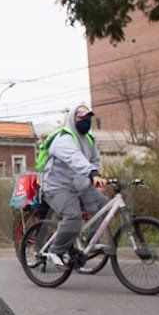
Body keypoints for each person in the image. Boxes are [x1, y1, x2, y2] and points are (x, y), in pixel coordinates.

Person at [40, 105, 107, 268]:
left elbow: (94, 161)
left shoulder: (89, 139)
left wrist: (96, 176)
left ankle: (90, 242)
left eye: (88, 117)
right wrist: (91, 172)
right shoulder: (64, 138)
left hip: (79, 185)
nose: (86, 121)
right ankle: (56, 251)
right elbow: (74, 158)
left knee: (103, 206)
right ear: (72, 119)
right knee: (73, 217)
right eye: (81, 117)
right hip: (56, 187)